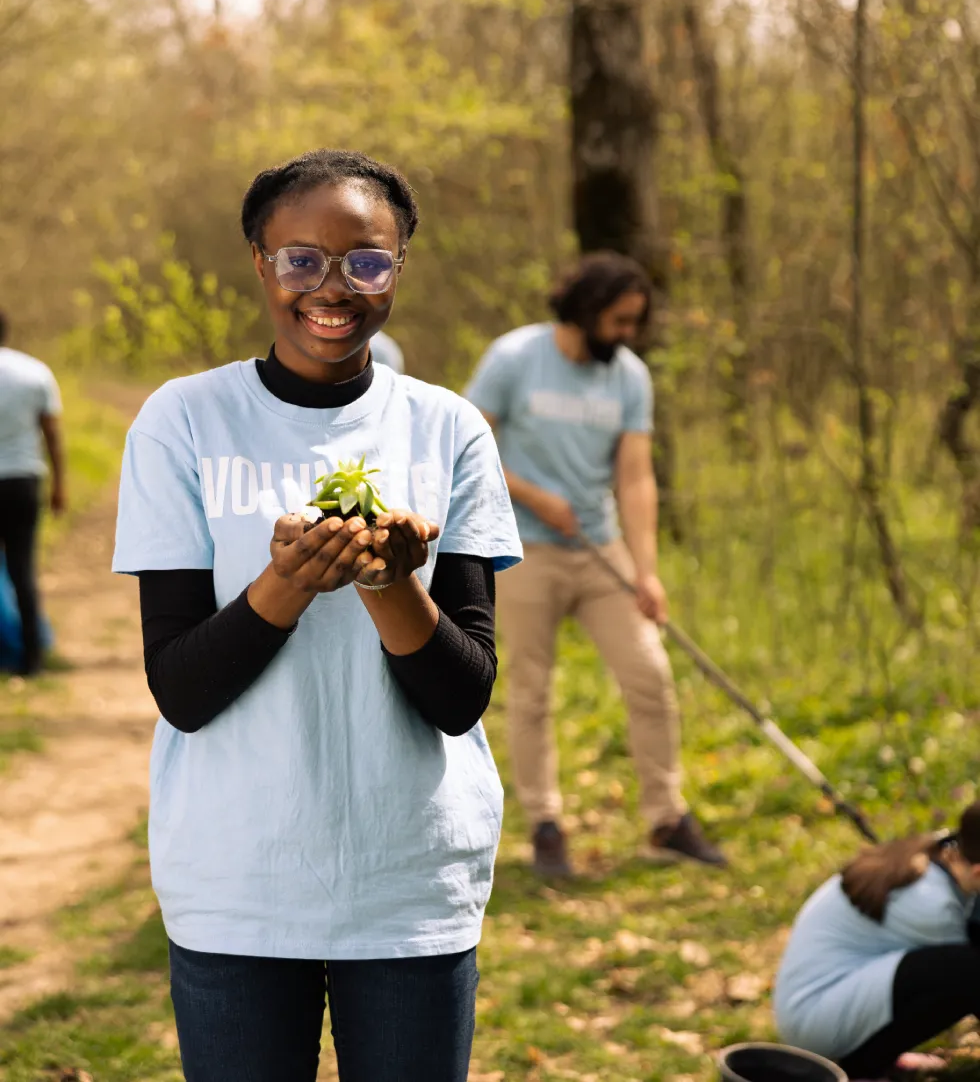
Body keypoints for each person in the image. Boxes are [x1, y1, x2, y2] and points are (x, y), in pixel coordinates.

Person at [112, 149, 522, 1082]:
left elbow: (461, 698)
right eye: (302, 260)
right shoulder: (183, 421)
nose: (333, 288)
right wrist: (286, 585)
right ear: (261, 263)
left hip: (411, 875)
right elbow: (181, 687)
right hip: (236, 877)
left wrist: (387, 581)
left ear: (399, 266)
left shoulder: (448, 428)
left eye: (366, 261)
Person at [465, 252, 724, 875]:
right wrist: (533, 495)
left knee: (649, 676)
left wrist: (646, 570)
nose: (628, 334)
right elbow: (467, 446)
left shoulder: (629, 377)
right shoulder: (514, 358)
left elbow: (635, 478)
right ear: (584, 311)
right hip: (522, 549)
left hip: (600, 549)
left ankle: (666, 817)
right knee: (532, 690)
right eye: (620, 320)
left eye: (635, 322)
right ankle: (546, 824)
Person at [775, 802, 980, 1079]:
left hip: (828, 995)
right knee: (968, 971)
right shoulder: (934, 907)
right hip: (815, 1018)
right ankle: (860, 1068)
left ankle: (876, 1056)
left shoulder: (944, 850)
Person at [0, 311, 66, 675]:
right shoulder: (34, 372)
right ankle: (32, 659)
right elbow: (52, 435)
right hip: (23, 481)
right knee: (22, 570)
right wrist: (59, 485)